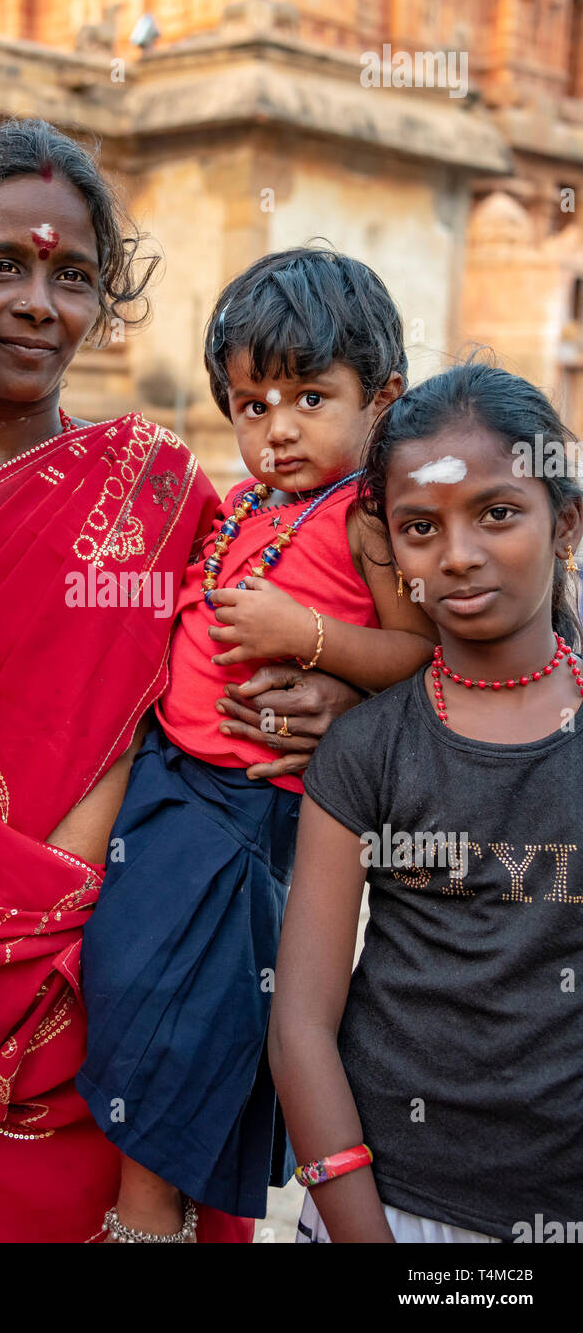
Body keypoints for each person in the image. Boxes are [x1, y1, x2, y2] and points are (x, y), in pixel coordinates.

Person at [0, 121, 362, 1244]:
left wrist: (337, 698)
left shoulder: (162, 487)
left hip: (148, 971)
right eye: (0, 265)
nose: (39, 302)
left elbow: (282, 652)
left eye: (73, 275)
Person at [78, 248, 438, 1235]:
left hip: (246, 825)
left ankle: (143, 1226)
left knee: (178, 1057)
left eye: (310, 397)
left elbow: (417, 653)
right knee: (131, 1012)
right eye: (250, 405)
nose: (276, 429)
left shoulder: (366, 517)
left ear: (383, 398)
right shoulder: (242, 507)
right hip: (166, 802)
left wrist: (311, 641)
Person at [269, 362, 583, 1243]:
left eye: (497, 513)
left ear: (565, 522)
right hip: (392, 1207)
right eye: (418, 527)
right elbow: (300, 1024)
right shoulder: (368, 747)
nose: (456, 554)